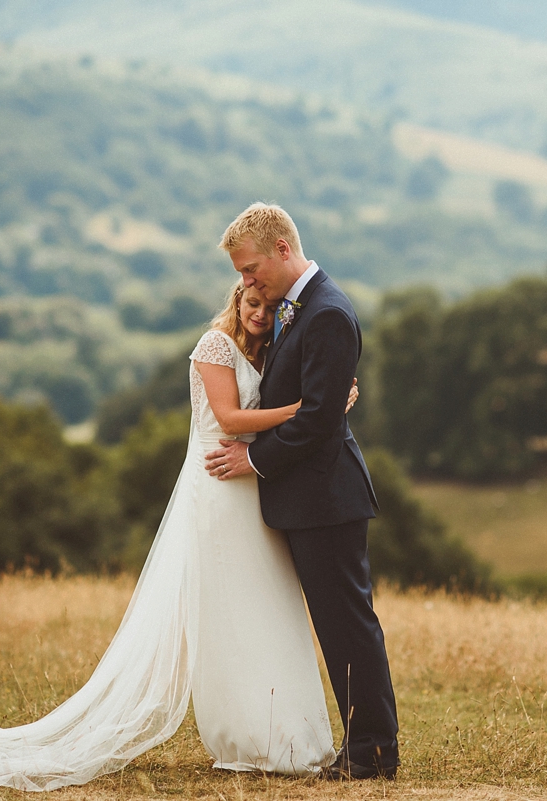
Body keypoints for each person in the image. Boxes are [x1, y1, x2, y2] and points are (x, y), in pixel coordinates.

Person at [0, 280, 357, 791]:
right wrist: (313, 407)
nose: (259, 314)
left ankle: (274, 731)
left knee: (258, 608)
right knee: (232, 612)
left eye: (266, 306)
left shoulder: (265, 351)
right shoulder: (213, 346)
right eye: (250, 303)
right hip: (218, 488)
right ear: (235, 301)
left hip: (248, 489)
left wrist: (325, 402)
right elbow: (230, 419)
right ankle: (249, 739)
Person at [205, 202, 400, 780]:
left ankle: (372, 752)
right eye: (241, 273)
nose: (245, 282)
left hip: (327, 497)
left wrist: (251, 459)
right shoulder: (299, 309)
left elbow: (318, 420)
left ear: (282, 250)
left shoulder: (327, 314)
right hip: (311, 499)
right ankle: (364, 746)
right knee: (336, 623)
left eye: (250, 268)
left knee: (348, 623)